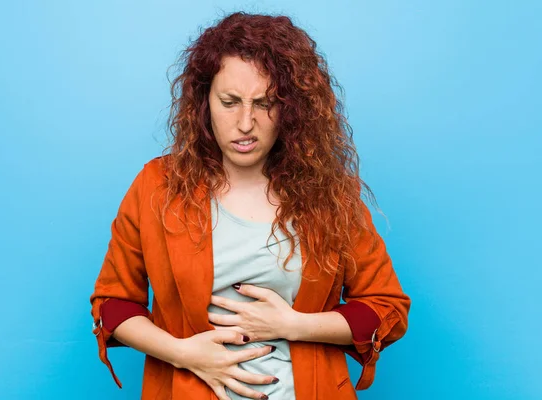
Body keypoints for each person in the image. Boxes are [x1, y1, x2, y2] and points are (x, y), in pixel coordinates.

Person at [90, 11, 410, 400]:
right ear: (204, 102)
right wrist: (183, 353)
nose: (245, 122)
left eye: (265, 103)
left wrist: (294, 325)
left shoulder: (330, 194)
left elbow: (386, 308)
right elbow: (113, 304)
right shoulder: (157, 186)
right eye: (230, 102)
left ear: (291, 109)